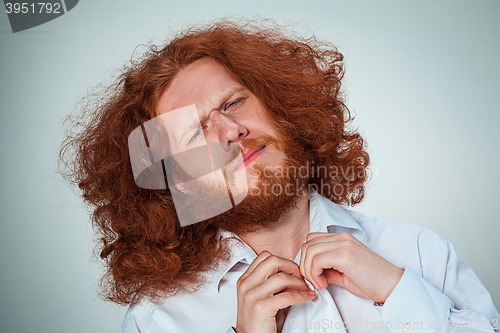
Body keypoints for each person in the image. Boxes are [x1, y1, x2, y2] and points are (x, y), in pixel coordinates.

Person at [59, 20, 500, 333]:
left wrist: (398, 291)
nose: (231, 133)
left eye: (232, 104)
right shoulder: (156, 322)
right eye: (195, 132)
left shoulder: (420, 256)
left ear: (280, 106)